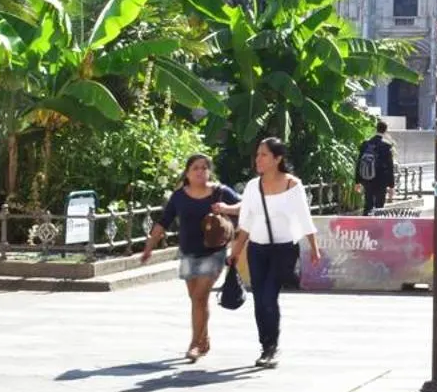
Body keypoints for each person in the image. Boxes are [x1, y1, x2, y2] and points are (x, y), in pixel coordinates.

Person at [229, 137, 323, 368]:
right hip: (257, 249)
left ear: (277, 158)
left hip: (283, 249)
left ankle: (272, 348)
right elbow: (246, 222)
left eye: (263, 155)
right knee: (259, 300)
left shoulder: (293, 185)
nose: (258, 159)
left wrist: (314, 247)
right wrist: (235, 252)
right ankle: (265, 346)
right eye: (257, 154)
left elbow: (304, 217)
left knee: (270, 297)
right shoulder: (253, 186)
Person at [138, 154, 239, 362]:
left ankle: (195, 344)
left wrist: (226, 209)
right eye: (196, 168)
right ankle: (204, 339)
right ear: (187, 173)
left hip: (214, 252)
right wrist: (149, 247)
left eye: (204, 168)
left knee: (199, 297)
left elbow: (245, 206)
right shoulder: (179, 196)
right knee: (196, 299)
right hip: (187, 252)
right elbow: (163, 221)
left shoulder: (220, 192)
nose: (201, 171)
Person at [357, 122, 395, 214]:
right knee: (379, 205)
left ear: (376, 129)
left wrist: (357, 181)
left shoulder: (365, 144)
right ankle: (378, 226)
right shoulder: (386, 146)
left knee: (368, 204)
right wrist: (391, 186)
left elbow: (359, 162)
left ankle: (366, 224)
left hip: (367, 178)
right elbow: (390, 167)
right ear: (385, 131)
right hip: (381, 180)